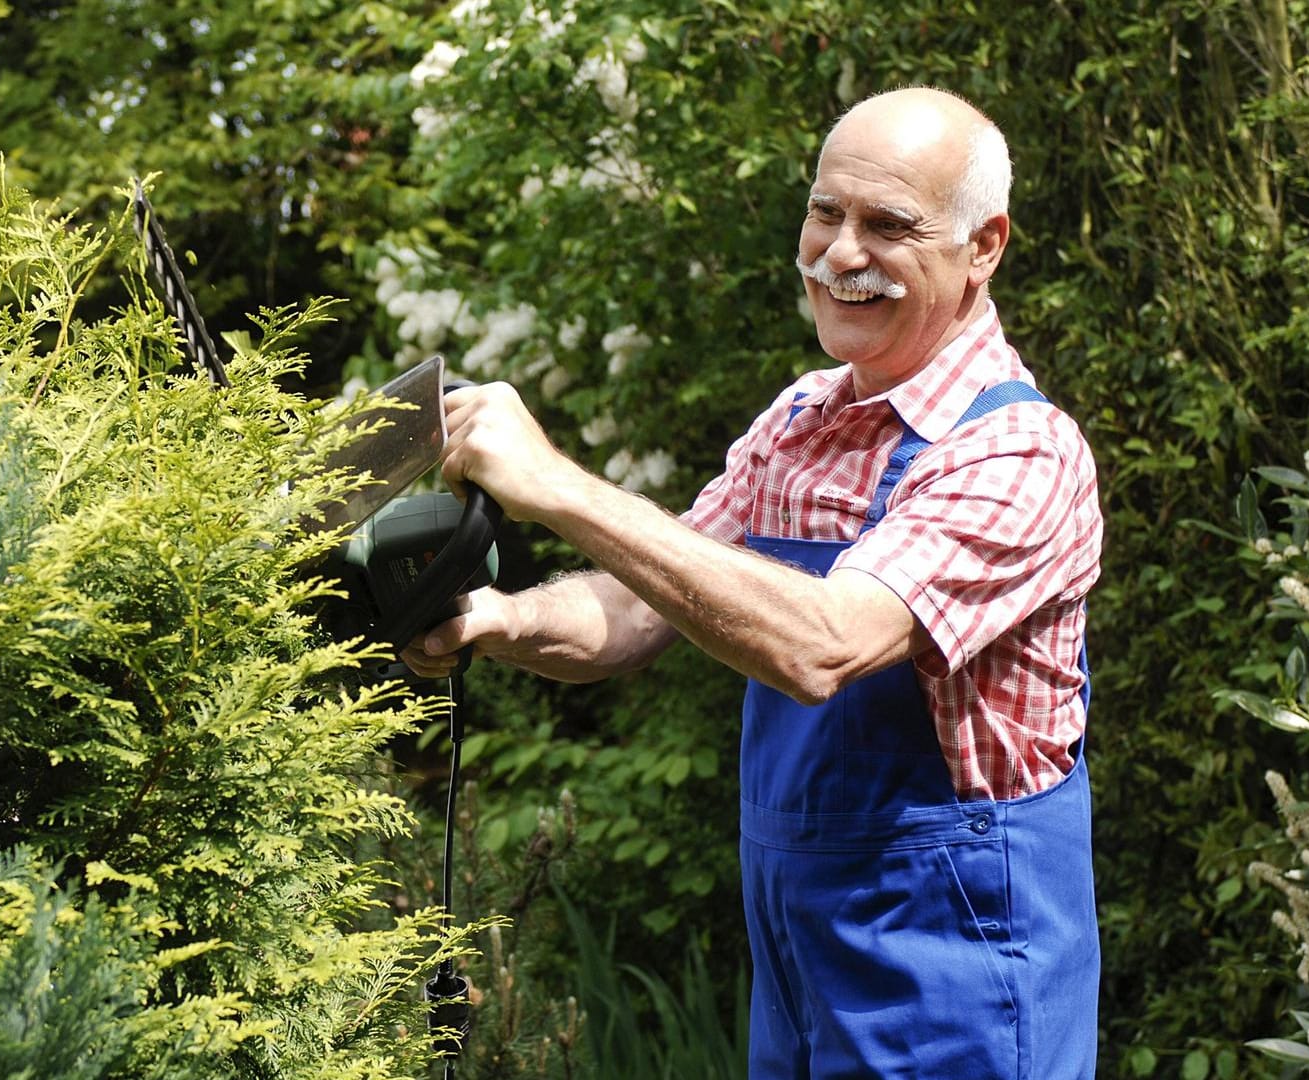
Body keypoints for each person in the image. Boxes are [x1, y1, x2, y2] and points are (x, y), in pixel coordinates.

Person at [402, 86, 1103, 1078]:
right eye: (826, 212)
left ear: (983, 246)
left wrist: (553, 483)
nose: (841, 253)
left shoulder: (1020, 457)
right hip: (806, 977)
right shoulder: (800, 422)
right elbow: (635, 604)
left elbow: (823, 644)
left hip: (961, 990)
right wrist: (498, 617)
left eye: (887, 224)